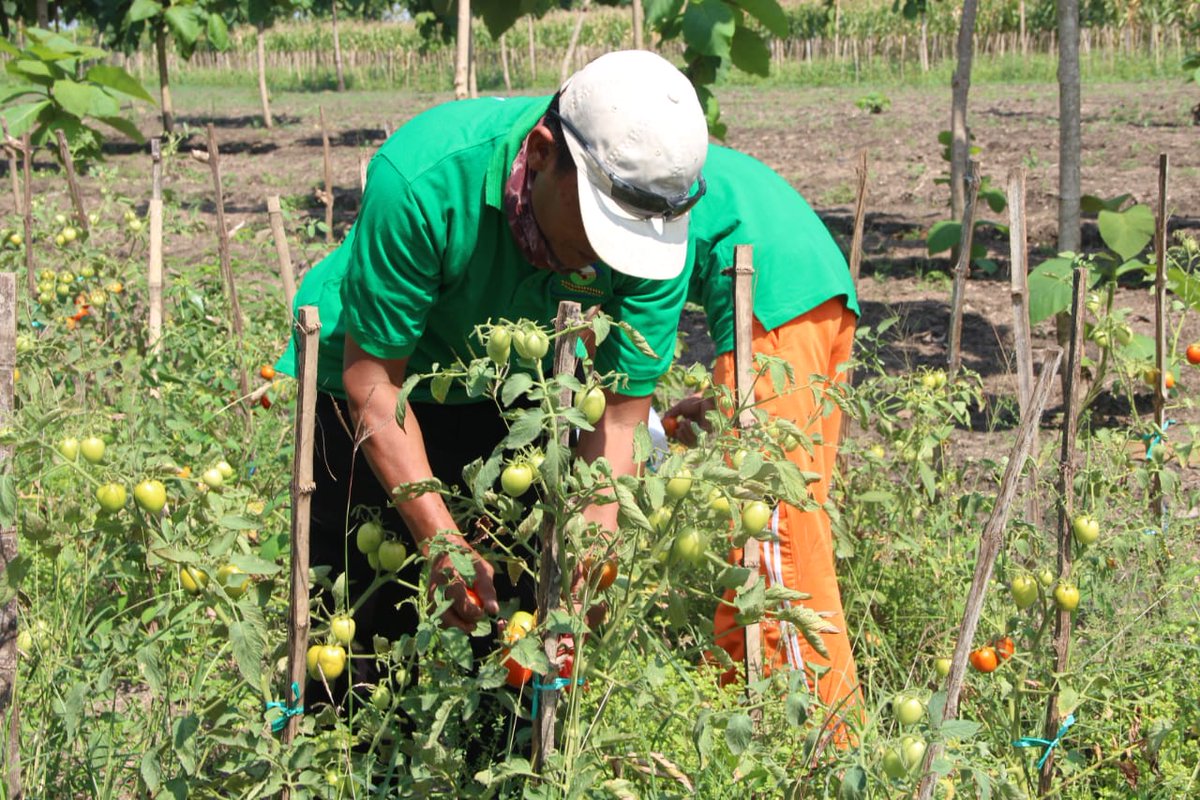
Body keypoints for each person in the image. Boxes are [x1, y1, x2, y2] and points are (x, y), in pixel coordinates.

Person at [274, 50, 709, 699]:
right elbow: (375, 384)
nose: (604, 257)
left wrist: (592, 556)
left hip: (515, 390)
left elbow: (619, 422)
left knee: (510, 615)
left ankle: (497, 745)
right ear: (541, 153)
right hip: (376, 376)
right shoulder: (426, 180)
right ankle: (342, 745)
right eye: (598, 228)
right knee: (359, 619)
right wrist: (438, 538)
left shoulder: (655, 240)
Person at [665, 144, 862, 716]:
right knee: (789, 521)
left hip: (769, 296)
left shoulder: (598, 167)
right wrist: (724, 406)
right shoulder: (645, 138)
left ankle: (820, 734)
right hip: (816, 286)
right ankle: (739, 709)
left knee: (776, 539)